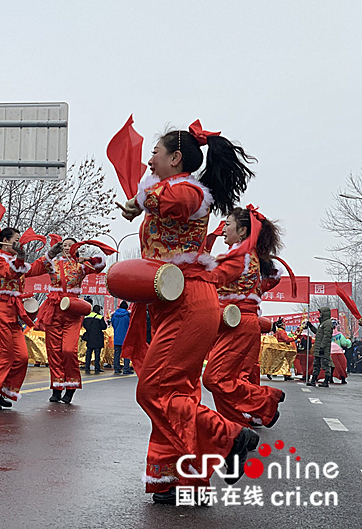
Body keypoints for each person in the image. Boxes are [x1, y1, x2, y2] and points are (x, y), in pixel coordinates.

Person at [118, 122, 259, 503]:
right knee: (176, 393)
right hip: (172, 302)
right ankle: (181, 480)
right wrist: (140, 204)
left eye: (155, 153)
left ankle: (230, 437)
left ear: (175, 158)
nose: (149, 160)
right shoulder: (175, 190)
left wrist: (140, 201)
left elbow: (173, 202)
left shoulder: (191, 192)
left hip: (189, 303)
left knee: (153, 390)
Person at [203, 206, 287, 430]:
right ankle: (237, 431)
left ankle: (265, 400)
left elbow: (212, 278)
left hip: (238, 324)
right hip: (232, 324)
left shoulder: (241, 257)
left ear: (242, 231)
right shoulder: (246, 256)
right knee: (224, 383)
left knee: (214, 379)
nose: (223, 230)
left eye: (227, 225)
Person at [0, 227, 45, 410]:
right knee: (3, 354)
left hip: (12, 312)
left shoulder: (15, 262)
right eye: (16, 239)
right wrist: (20, 258)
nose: (18, 243)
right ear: (5, 241)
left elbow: (35, 268)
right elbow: (9, 272)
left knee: (21, 356)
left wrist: (50, 255)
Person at [37, 237, 107, 404]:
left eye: (71, 245)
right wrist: (50, 252)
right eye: (65, 245)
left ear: (76, 249)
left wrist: (87, 258)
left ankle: (71, 387)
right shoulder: (53, 264)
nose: (67, 248)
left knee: (69, 350)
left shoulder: (82, 266)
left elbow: (101, 264)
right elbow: (37, 266)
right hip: (54, 310)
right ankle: (56, 388)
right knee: (54, 351)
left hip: (72, 311)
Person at [307, 307, 333, 388]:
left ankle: (326, 381)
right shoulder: (323, 323)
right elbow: (318, 333)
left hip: (323, 348)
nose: (320, 315)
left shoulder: (328, 323)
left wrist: (322, 347)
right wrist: (310, 326)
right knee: (316, 365)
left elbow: (327, 336)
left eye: (321, 313)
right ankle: (313, 380)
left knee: (325, 365)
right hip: (318, 348)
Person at [81, 304, 106, 374]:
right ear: (98, 310)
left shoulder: (87, 317)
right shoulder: (100, 317)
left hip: (89, 337)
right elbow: (104, 326)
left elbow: (84, 325)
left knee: (88, 353)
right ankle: (97, 367)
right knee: (97, 354)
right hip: (97, 337)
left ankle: (87, 367)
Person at [111, 301, 132, 374]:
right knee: (127, 353)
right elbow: (130, 326)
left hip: (117, 337)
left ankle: (116, 369)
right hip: (126, 337)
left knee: (117, 353)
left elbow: (113, 325)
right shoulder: (127, 316)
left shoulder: (114, 315)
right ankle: (126, 369)